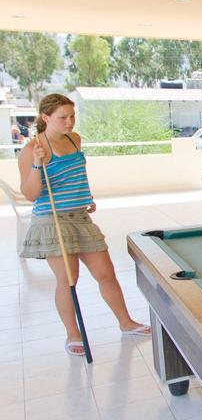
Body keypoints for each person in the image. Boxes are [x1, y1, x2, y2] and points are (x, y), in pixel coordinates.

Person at [18, 94, 150, 356]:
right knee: (69, 280)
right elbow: (31, 194)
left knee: (106, 273)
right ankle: (72, 334)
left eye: (72, 116)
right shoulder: (32, 148)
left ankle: (126, 323)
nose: (69, 122)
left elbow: (77, 175)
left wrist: (85, 197)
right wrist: (37, 164)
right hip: (52, 220)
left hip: (80, 216)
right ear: (46, 118)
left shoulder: (74, 139)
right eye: (63, 117)